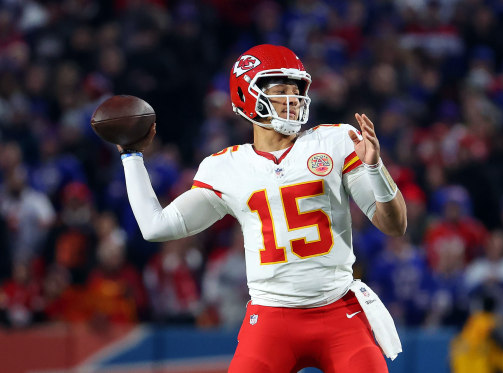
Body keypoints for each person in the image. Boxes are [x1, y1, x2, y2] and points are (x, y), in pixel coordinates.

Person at [118, 44, 407, 372]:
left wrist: (375, 169)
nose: (293, 100)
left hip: (340, 310)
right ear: (246, 95)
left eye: (296, 91)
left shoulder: (336, 141)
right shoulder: (226, 167)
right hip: (272, 318)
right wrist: (131, 156)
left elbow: (394, 225)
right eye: (281, 90)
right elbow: (156, 227)